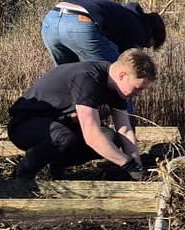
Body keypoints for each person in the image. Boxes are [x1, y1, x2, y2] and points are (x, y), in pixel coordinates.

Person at [8, 48, 158, 180]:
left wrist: (137, 165)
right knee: (65, 137)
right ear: (122, 76)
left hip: (60, 126)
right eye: (138, 88)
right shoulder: (88, 78)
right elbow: (92, 136)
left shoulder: (116, 89)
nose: (139, 93)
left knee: (111, 138)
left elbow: (124, 130)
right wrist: (128, 165)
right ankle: (24, 171)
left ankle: (55, 164)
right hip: (25, 126)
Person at [41, 0, 167, 66]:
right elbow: (127, 66)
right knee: (119, 76)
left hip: (51, 19)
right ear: (151, 33)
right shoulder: (140, 30)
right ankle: (121, 109)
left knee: (66, 78)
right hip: (81, 22)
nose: (143, 48)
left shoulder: (125, 16)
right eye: (147, 45)